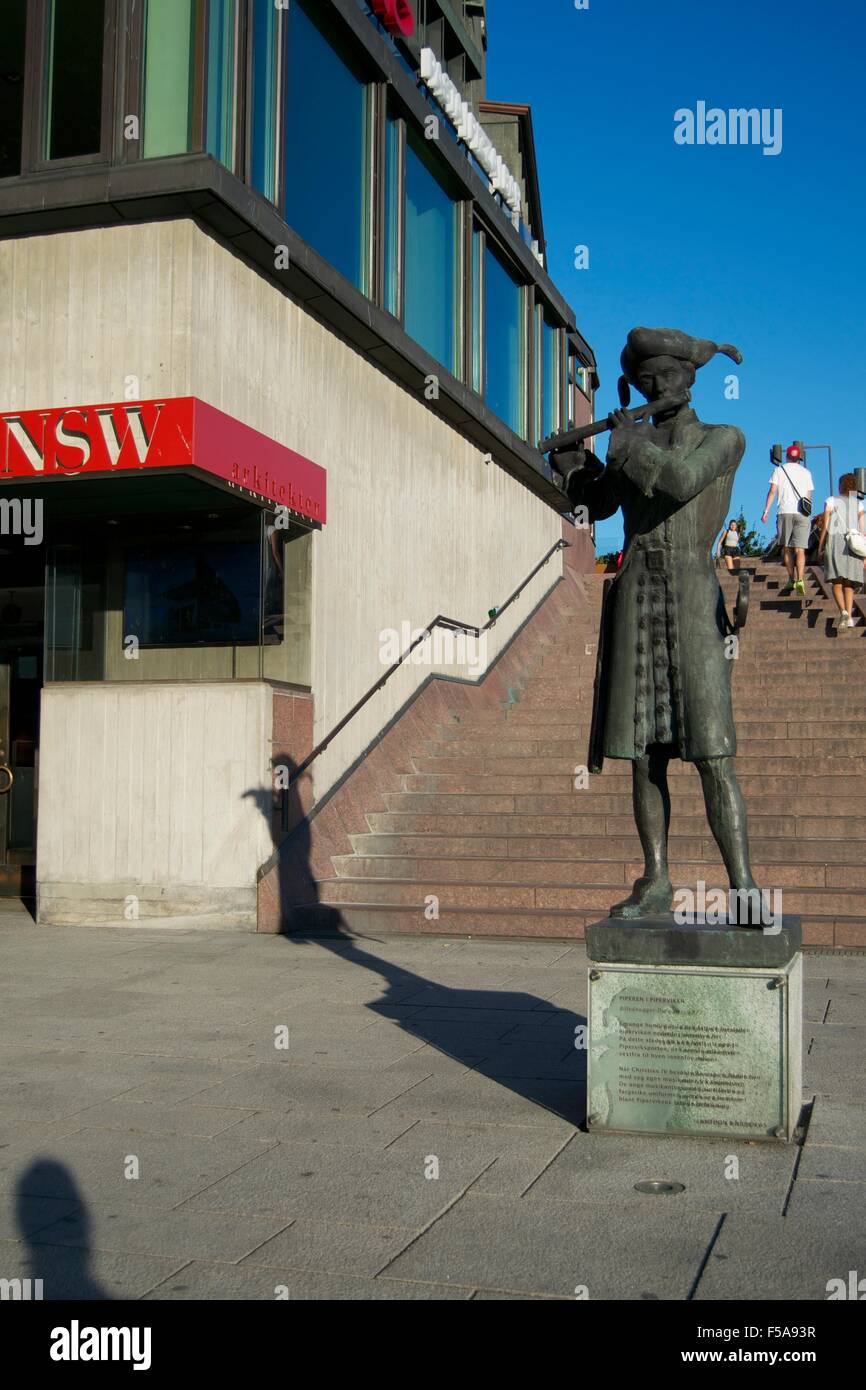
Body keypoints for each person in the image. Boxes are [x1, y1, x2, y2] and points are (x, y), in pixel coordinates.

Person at [553, 326, 761, 925]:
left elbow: (678, 481)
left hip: (693, 596)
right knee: (645, 754)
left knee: (714, 753)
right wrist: (571, 467)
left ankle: (743, 885)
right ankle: (657, 877)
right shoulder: (630, 443)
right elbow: (596, 504)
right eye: (645, 382)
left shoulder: (724, 439)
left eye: (664, 379)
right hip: (637, 595)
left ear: (688, 381)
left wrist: (625, 447)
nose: (654, 388)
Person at [761, 445, 814, 597]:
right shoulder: (806, 473)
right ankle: (801, 580)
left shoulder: (779, 470)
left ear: (787, 456)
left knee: (787, 548)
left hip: (784, 511)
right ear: (799, 458)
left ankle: (791, 578)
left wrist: (766, 511)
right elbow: (808, 496)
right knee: (800, 549)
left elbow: (772, 491)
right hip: (802, 513)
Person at [817, 473, 865, 632]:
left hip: (835, 542)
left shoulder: (831, 501)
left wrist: (820, 546)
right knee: (849, 582)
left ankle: (843, 611)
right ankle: (850, 617)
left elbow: (825, 526)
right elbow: (863, 529)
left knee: (836, 581)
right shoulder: (859, 504)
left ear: (841, 486)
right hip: (853, 544)